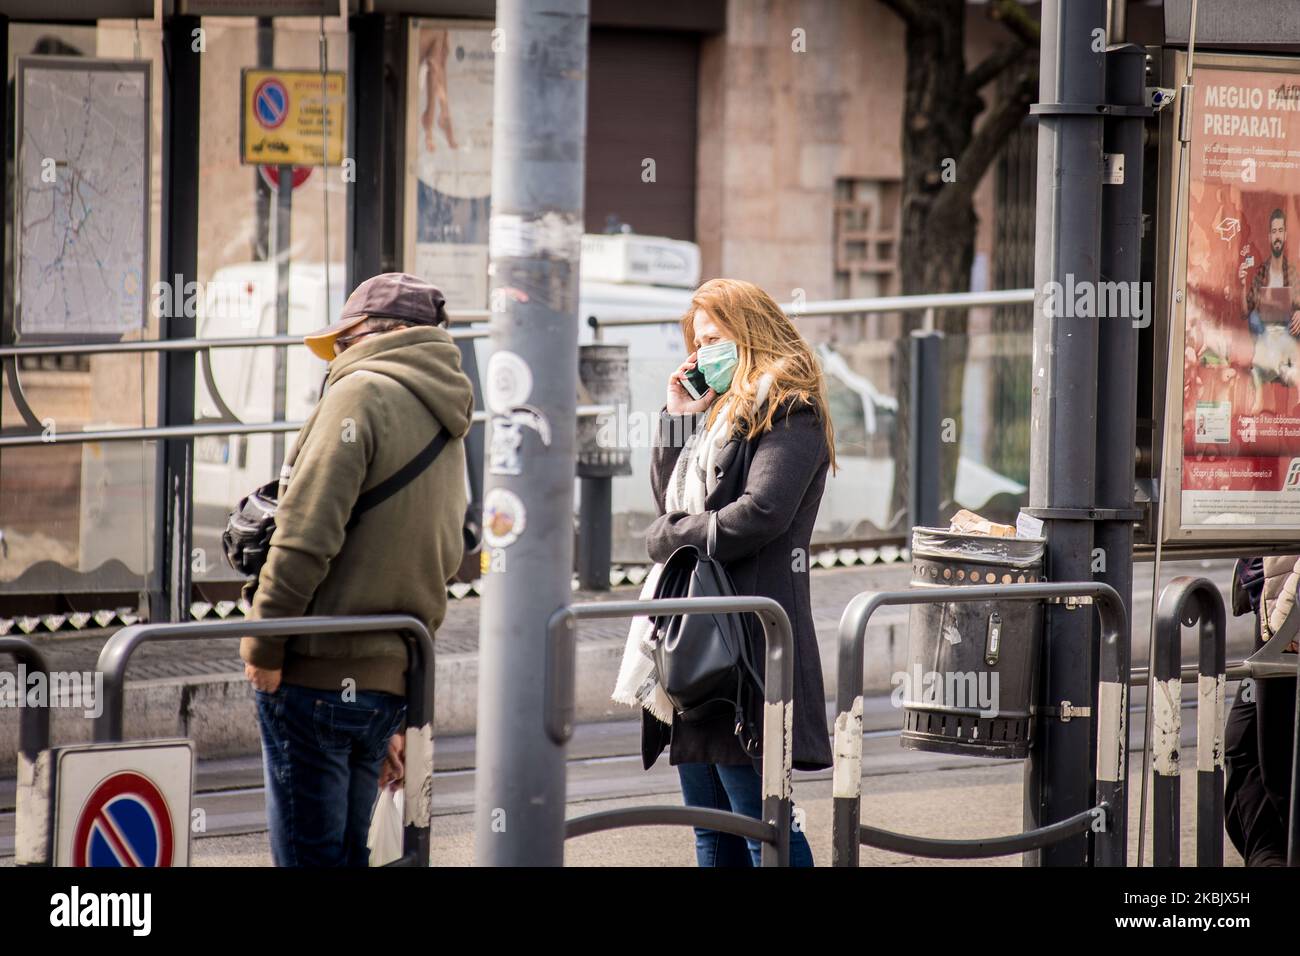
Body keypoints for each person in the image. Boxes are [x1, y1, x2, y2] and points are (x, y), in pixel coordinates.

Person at [240, 272, 473, 867]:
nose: (336, 358)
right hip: (389, 681)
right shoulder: (447, 408)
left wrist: (263, 643)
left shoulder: (358, 395)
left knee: (310, 856)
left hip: (316, 670)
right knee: (351, 856)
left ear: (377, 333)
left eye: (343, 343)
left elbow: (304, 538)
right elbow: (446, 550)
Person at [632, 277, 836, 867]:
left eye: (715, 339)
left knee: (763, 827)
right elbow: (667, 502)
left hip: (745, 646)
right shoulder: (715, 417)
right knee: (709, 830)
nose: (700, 355)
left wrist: (670, 537)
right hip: (694, 645)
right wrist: (676, 418)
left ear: (752, 335)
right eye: (697, 343)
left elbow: (759, 515)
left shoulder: (789, 412)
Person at [1224, 555, 1299, 866]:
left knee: (1282, 774)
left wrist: (1288, 618)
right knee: (1243, 747)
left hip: (1287, 619)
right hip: (1274, 606)